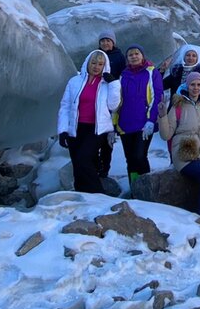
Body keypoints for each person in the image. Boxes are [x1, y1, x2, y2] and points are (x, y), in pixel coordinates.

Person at [157, 72, 200, 219]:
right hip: (184, 153)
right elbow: (166, 135)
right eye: (192, 84)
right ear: (186, 86)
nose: (195, 88)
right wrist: (162, 115)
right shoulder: (178, 105)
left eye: (198, 84)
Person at [57, 50, 121, 193]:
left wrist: (114, 84)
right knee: (77, 164)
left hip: (96, 129)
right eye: (93, 63)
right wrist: (62, 130)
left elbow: (113, 106)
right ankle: (82, 197)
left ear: (105, 66)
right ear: (87, 63)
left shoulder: (107, 84)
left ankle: (98, 194)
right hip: (76, 128)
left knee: (83, 159)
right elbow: (65, 106)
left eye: (100, 64)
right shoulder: (74, 82)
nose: (96, 67)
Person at [117, 45, 164, 186]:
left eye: (137, 53)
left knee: (139, 156)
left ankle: (146, 188)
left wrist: (151, 120)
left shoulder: (151, 72)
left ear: (142, 56)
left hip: (144, 123)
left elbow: (157, 96)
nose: (134, 56)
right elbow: (118, 100)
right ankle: (134, 187)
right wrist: (114, 124)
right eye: (130, 55)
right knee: (130, 159)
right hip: (125, 123)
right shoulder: (123, 75)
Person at [97, 29, 125, 177]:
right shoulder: (96, 55)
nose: (105, 43)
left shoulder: (119, 57)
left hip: (112, 100)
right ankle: (96, 165)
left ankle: (104, 168)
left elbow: (124, 77)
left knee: (108, 135)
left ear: (113, 42)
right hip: (97, 101)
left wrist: (114, 81)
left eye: (108, 40)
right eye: (103, 41)